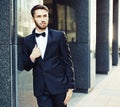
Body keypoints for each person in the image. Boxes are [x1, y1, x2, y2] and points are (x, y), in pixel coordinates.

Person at [23, 4, 75, 107]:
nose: (43, 19)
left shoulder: (59, 36)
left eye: (45, 16)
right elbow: (26, 66)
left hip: (59, 86)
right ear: (33, 18)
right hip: (41, 90)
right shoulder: (27, 40)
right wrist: (32, 57)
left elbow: (68, 62)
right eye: (39, 16)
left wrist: (71, 87)